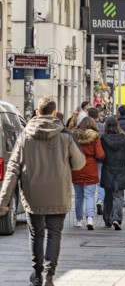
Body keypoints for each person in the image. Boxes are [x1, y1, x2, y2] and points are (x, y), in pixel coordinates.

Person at [0, 97, 85, 286]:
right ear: (54, 113)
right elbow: (79, 164)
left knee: (36, 234)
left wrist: (3, 201)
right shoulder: (65, 135)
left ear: (37, 113)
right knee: (54, 234)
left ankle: (37, 274)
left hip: (32, 196)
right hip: (58, 194)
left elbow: (12, 169)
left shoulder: (24, 137)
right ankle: (49, 274)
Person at [100, 117, 125, 230]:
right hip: (121, 169)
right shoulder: (124, 139)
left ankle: (108, 219)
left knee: (108, 195)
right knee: (119, 195)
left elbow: (100, 155)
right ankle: (117, 219)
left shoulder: (103, 139)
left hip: (108, 168)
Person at [72, 117, 105, 230]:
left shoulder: (74, 137)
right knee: (89, 195)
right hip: (90, 168)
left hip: (77, 168)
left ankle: (79, 220)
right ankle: (90, 219)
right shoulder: (95, 137)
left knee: (78, 196)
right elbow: (100, 154)